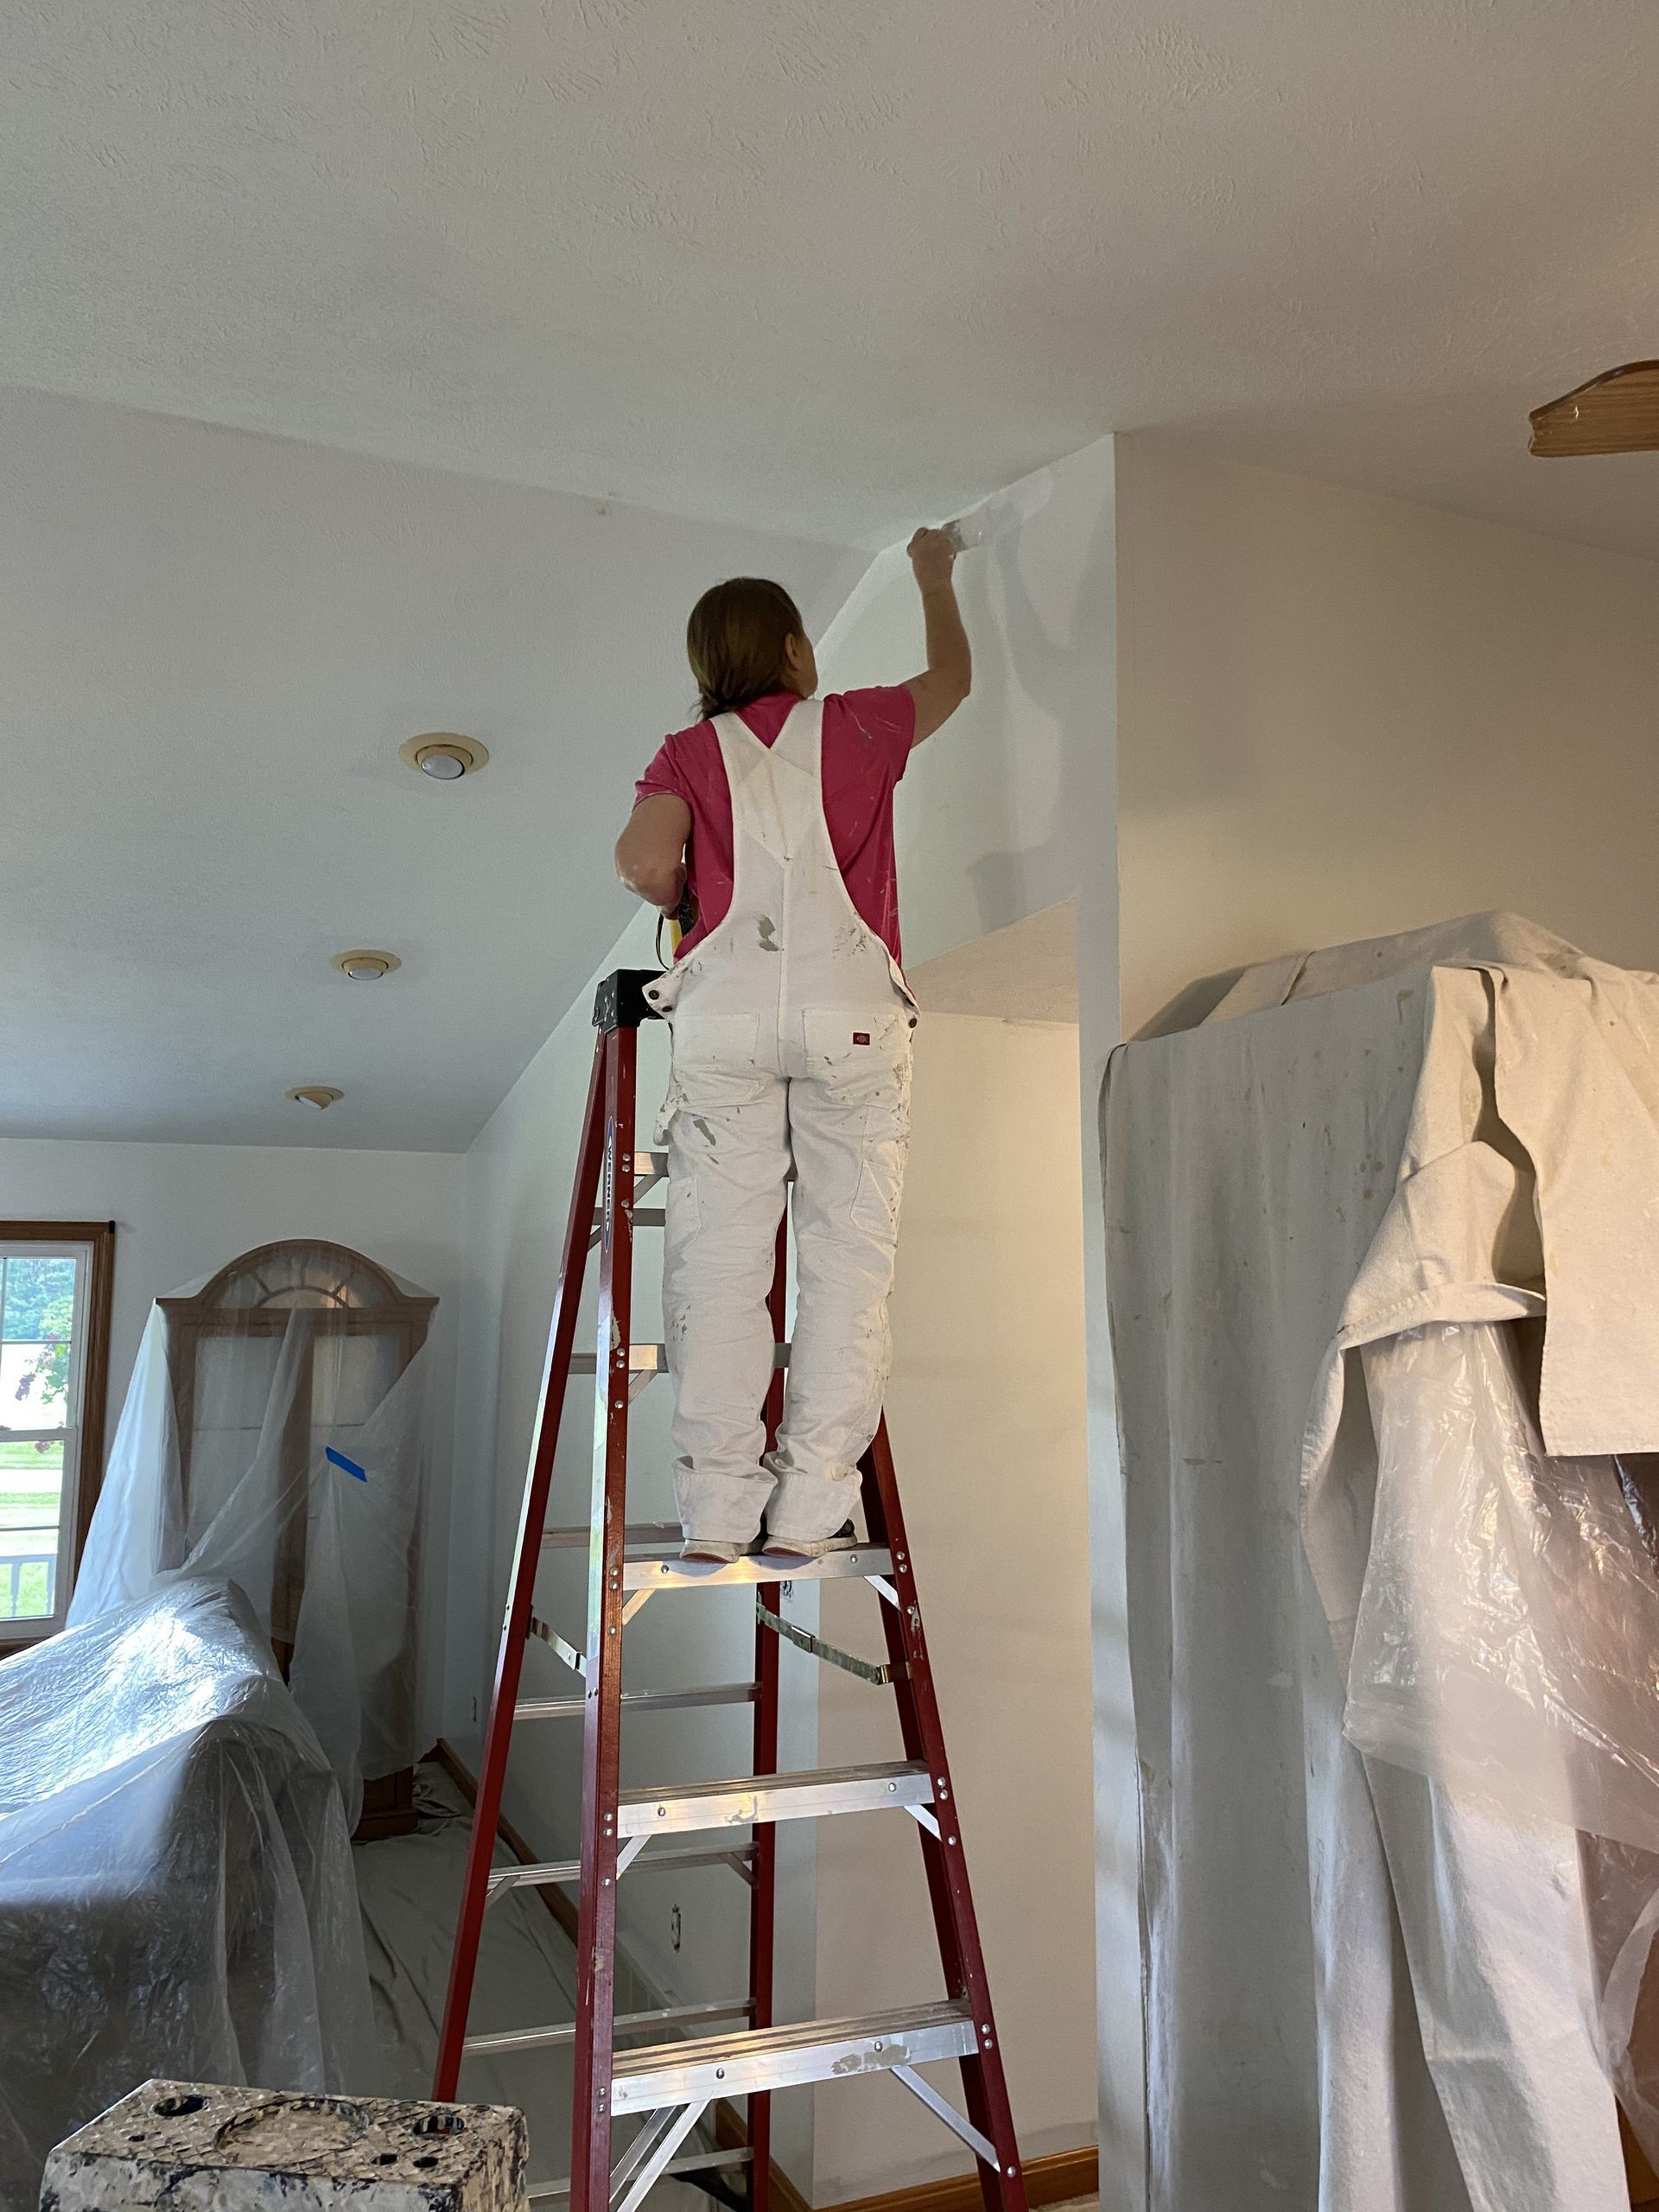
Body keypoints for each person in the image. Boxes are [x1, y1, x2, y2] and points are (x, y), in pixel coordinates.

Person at [615, 529, 970, 1562]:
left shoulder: (688, 753)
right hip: (851, 1019)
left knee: (720, 1270)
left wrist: (691, 894)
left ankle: (720, 1512)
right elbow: (954, 678)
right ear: (794, 650)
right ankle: (811, 1508)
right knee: (845, 1264)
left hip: (725, 1022)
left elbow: (642, 861)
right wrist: (934, 578)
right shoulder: (858, 727)